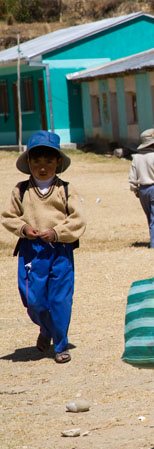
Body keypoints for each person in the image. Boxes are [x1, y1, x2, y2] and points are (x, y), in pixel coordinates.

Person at [1, 131, 86, 363]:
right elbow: (9, 216)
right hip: (32, 251)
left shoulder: (65, 189)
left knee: (60, 299)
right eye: (36, 161)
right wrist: (24, 229)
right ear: (28, 162)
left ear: (58, 162)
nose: (42, 166)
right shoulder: (21, 190)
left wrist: (57, 233)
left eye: (48, 160)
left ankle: (61, 344)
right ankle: (46, 328)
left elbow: (78, 220)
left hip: (60, 250)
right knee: (34, 299)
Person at [129, 128, 154, 248]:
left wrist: (135, 189)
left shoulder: (137, 157)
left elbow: (132, 176)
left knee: (150, 215)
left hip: (142, 189)